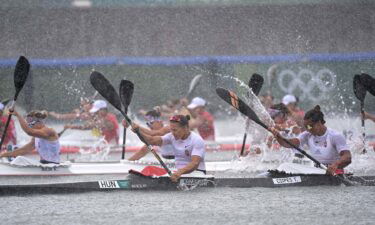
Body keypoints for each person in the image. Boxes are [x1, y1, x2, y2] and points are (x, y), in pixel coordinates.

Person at [270, 105, 351, 175]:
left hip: (333, 171)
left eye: (310, 126)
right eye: (306, 127)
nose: (308, 129)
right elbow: (290, 143)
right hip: (317, 170)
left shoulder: (335, 136)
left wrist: (335, 165)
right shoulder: (307, 135)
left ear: (319, 123)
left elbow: (347, 157)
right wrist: (278, 137)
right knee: (285, 166)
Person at [130, 114, 206, 182]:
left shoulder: (197, 140)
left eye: (175, 130)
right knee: (149, 169)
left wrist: (179, 172)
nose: (172, 133)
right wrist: (138, 132)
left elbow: (195, 163)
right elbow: (151, 140)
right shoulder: (171, 136)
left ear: (185, 128)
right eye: (171, 130)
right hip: (178, 173)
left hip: (196, 173)